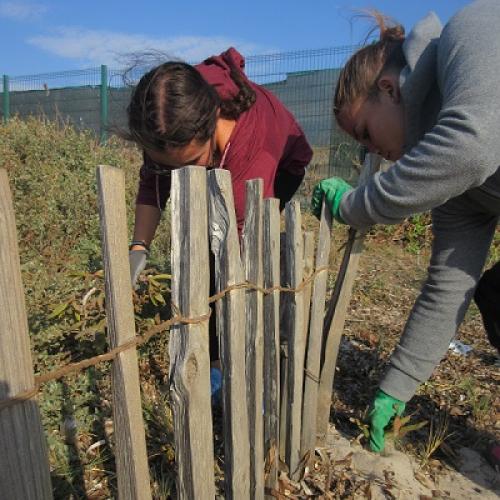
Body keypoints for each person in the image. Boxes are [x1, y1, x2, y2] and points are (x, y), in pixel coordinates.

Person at [311, 0, 500, 456]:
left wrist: (357, 206)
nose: (373, 155)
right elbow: (448, 285)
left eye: (366, 134)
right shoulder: (454, 187)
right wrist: (398, 385)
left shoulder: (472, 29)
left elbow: (470, 148)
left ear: (390, 89)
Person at [125, 47, 312, 393]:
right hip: (217, 153)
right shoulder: (168, 112)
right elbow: (153, 178)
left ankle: (229, 360)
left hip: (284, 164)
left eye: (190, 162)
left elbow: (237, 249)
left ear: (210, 125)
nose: (178, 176)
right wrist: (139, 246)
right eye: (170, 166)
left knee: (223, 256)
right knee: (207, 241)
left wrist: (229, 291)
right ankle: (213, 355)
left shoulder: (254, 154)